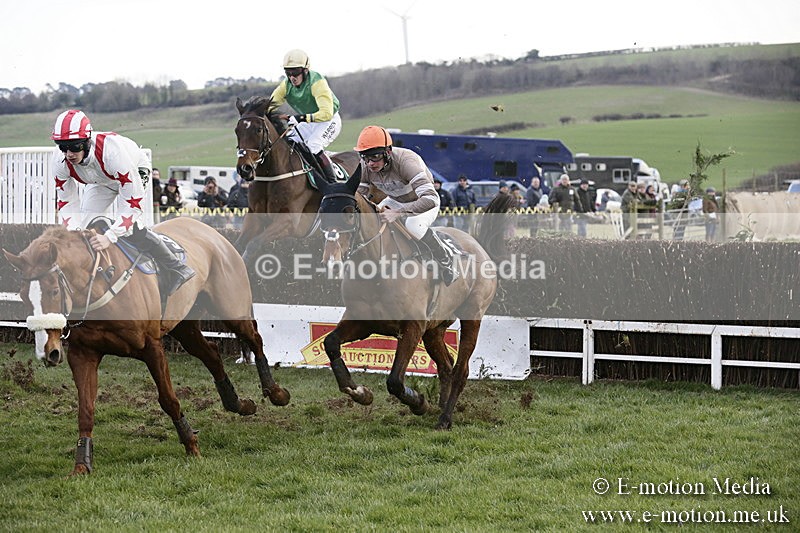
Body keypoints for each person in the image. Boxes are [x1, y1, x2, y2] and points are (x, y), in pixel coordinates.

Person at [50, 109, 194, 295]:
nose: (69, 154)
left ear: (87, 141)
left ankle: (177, 268)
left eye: (75, 147)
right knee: (84, 225)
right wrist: (74, 234)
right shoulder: (59, 160)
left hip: (134, 169)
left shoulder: (112, 153)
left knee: (132, 225)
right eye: (63, 147)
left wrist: (109, 237)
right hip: (102, 181)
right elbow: (67, 203)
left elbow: (132, 205)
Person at [354, 125, 458, 285]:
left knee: (414, 226)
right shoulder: (366, 166)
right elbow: (360, 198)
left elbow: (429, 198)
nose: (370, 164)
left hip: (424, 202)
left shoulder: (406, 162)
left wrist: (399, 212)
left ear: (387, 152)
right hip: (396, 201)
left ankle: (445, 258)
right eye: (365, 157)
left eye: (374, 157)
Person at [270, 49, 342, 183]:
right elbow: (270, 104)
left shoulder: (317, 82)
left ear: (305, 70)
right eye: (288, 72)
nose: (292, 77)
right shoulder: (286, 85)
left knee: (313, 145)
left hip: (329, 120)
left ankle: (333, 185)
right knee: (288, 141)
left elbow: (326, 114)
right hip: (309, 122)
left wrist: (300, 118)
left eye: (296, 72)